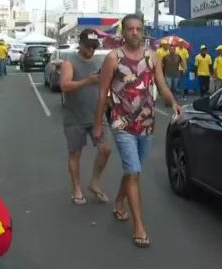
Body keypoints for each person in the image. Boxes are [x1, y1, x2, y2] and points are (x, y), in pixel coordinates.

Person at [93, 14, 181, 248]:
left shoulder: (151, 57)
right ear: (123, 31)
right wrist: (99, 124)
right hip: (121, 124)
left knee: (135, 170)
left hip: (147, 123)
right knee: (132, 172)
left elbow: (161, 84)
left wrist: (171, 102)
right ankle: (139, 226)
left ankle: (119, 203)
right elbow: (103, 93)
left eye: (138, 29)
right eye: (130, 29)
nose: (134, 33)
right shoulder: (114, 58)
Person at [60, 28, 112, 205]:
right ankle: (76, 189)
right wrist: (86, 82)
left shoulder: (99, 62)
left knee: (105, 149)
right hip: (75, 117)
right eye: (88, 46)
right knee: (75, 154)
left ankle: (95, 182)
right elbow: (65, 86)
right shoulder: (70, 63)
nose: (91, 50)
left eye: (94, 47)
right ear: (81, 44)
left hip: (97, 115)